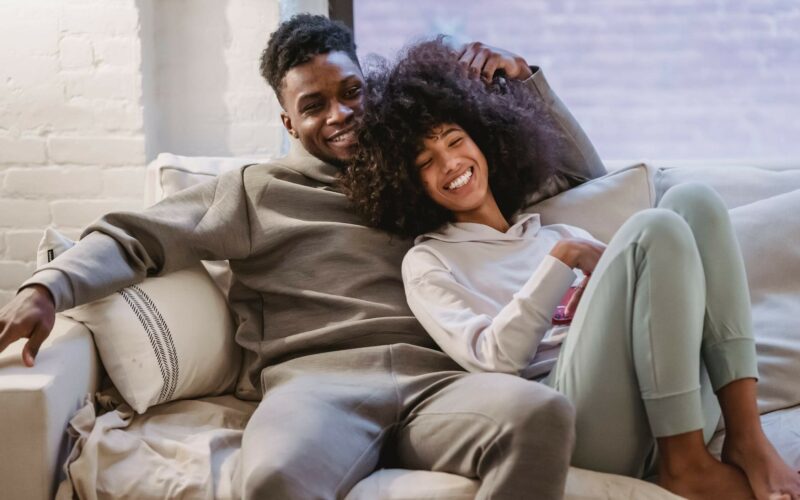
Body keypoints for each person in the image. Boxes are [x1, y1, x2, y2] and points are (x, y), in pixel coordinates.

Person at [0, 15, 607, 500]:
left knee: (539, 414)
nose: (340, 115)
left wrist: (526, 80)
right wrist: (47, 288)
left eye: (351, 93)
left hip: (442, 381)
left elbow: (579, 179)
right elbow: (138, 236)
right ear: (288, 121)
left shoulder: (422, 172)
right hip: (319, 388)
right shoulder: (254, 190)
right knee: (272, 481)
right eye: (315, 105)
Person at [343, 38, 800, 500]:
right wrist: (561, 263)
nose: (451, 163)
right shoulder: (430, 261)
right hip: (577, 420)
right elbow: (493, 359)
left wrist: (578, 259)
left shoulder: (553, 231)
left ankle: (747, 438)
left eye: (456, 141)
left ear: (484, 140)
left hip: (663, 399)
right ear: (407, 183)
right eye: (426, 162)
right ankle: (685, 465)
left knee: (694, 201)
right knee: (655, 226)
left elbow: (649, 302)